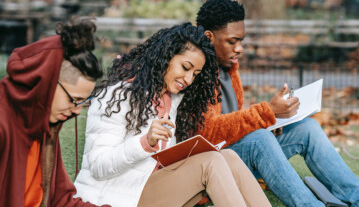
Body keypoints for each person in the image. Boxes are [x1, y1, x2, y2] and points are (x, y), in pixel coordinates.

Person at [74, 23, 271, 207]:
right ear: (166, 56)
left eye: (195, 74)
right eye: (185, 67)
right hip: (115, 196)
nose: (188, 79)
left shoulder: (171, 99)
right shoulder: (117, 95)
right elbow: (99, 167)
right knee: (210, 163)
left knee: (228, 156)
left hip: (146, 186)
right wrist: (145, 142)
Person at [196, 0, 359, 207]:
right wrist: (265, 114)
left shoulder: (229, 68)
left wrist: (270, 122)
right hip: (213, 165)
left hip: (237, 152)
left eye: (241, 40)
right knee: (259, 139)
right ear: (209, 37)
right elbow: (208, 133)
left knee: (307, 128)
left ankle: (357, 197)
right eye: (232, 41)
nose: (240, 48)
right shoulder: (195, 72)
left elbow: (230, 119)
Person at [0, 17, 108, 206]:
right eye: (72, 99)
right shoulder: (4, 122)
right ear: (46, 82)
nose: (76, 110)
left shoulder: (45, 128)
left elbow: (61, 199)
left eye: (83, 102)